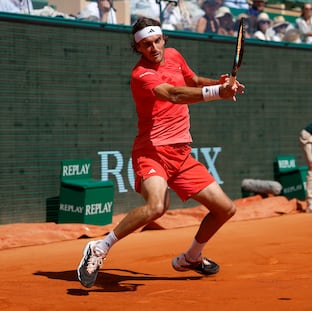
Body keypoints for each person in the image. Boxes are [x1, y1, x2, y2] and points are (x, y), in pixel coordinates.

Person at [77, 16, 245, 288]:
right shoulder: (141, 74)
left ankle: (191, 257)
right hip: (152, 151)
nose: (153, 47)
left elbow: (192, 80)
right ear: (139, 49)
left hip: (181, 153)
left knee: (225, 209)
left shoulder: (175, 55)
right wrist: (217, 93)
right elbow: (175, 94)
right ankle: (99, 248)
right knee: (157, 206)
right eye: (146, 44)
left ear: (164, 39)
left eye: (157, 41)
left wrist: (220, 83)